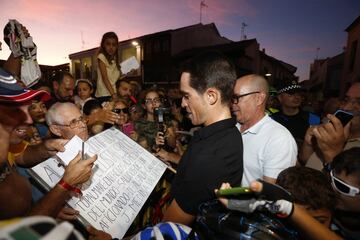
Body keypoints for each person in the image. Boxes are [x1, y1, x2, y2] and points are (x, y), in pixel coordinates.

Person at [163, 51, 243, 225]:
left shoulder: (211, 157)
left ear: (211, 96)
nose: (183, 104)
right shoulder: (223, 133)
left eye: (186, 96)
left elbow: (168, 230)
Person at [231, 74, 297, 185]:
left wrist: (232, 203)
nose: (232, 104)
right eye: (231, 99)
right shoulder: (232, 128)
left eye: (237, 98)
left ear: (259, 98)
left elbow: (272, 196)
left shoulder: (279, 139)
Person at [300, 81, 360, 170]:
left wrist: (333, 155)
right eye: (346, 100)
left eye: (359, 102)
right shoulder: (330, 129)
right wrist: (309, 144)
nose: (346, 108)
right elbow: (306, 161)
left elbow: (339, 183)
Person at [271, 79, 320, 147]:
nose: (297, 97)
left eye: (298, 94)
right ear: (280, 98)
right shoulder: (272, 120)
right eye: (291, 94)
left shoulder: (313, 119)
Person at [95, 32, 120, 100]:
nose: (111, 47)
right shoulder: (101, 56)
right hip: (104, 94)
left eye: (114, 44)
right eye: (108, 44)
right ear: (103, 45)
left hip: (112, 92)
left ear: (117, 46)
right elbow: (104, 77)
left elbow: (113, 79)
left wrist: (127, 73)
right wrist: (113, 94)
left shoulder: (114, 61)